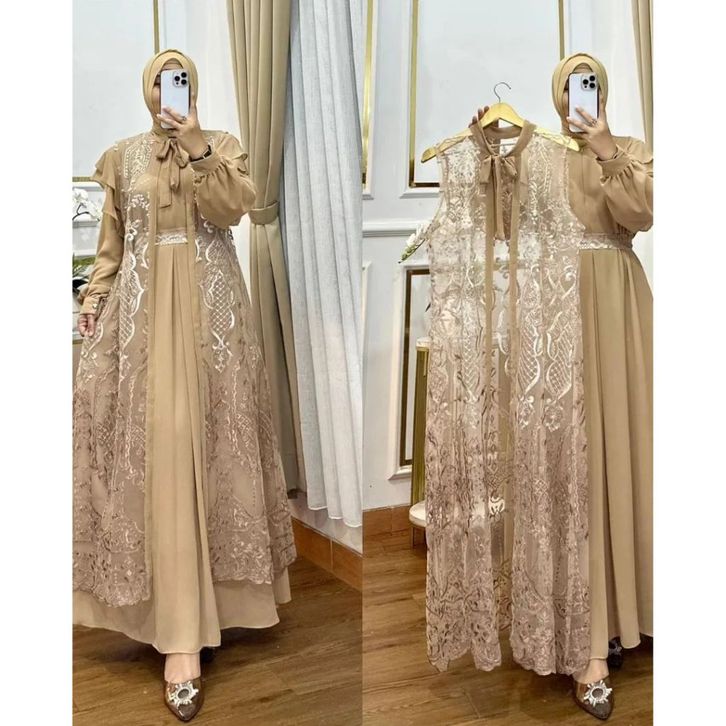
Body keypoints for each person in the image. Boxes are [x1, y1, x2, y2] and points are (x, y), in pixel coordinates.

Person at [73, 49, 296, 722]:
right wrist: (94, 298)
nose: (170, 90)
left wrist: (197, 146)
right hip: (143, 326)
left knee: (211, 452)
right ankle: (174, 633)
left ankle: (206, 615)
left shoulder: (222, 146)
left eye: (181, 80)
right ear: (148, 90)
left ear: (191, 88)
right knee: (159, 458)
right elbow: (113, 246)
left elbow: (232, 211)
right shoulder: (121, 159)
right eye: (162, 81)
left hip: (211, 326)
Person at [470, 51, 652, 721]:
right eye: (574, 85)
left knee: (622, 457)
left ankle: (630, 611)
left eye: (592, 84)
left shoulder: (631, 150)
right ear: (556, 94)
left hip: (619, 315)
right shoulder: (535, 156)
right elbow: (500, 228)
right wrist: (492, 159)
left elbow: (642, 213)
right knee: (564, 469)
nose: (583, 94)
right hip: (553, 323)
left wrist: (605, 148)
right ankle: (583, 637)